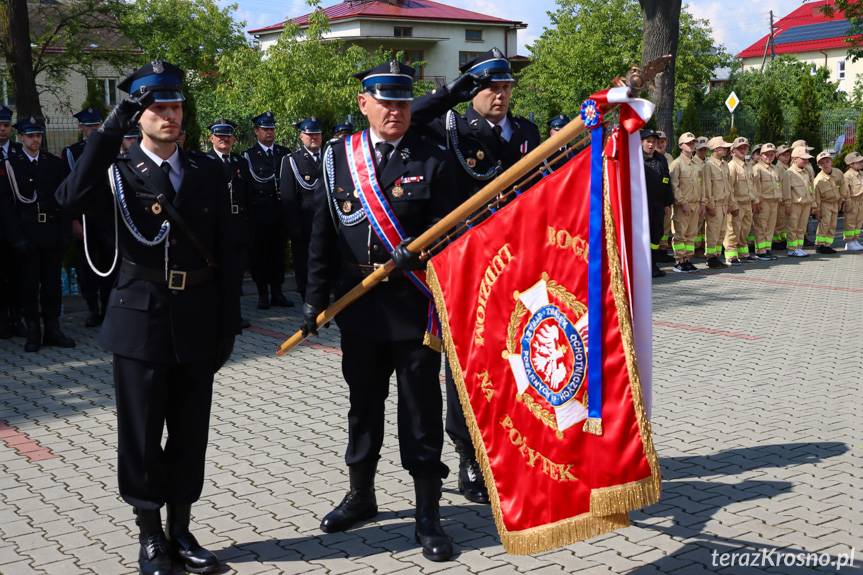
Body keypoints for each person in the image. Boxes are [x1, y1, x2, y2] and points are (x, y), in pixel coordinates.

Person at [55, 61, 241, 575]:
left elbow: (228, 250)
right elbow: (68, 196)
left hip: (198, 318)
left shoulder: (208, 169)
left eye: (175, 105)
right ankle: (150, 536)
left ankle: (181, 529)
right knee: (140, 435)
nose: (169, 115)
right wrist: (109, 128)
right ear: (138, 115)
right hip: (140, 320)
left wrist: (229, 323)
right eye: (156, 107)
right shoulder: (115, 172)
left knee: (189, 431)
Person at [302, 60, 458, 562]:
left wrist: (424, 247)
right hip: (360, 306)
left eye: (403, 101)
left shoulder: (433, 154)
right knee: (363, 407)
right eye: (385, 101)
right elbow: (323, 231)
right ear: (364, 103)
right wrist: (313, 297)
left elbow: (457, 227)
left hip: (414, 306)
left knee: (420, 411)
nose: (395, 110)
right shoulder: (338, 157)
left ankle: (427, 513)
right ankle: (361, 495)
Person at [410, 48, 540, 505]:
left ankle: (512, 445)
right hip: (466, 264)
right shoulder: (449, 128)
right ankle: (469, 452)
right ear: (473, 90)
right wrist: (449, 95)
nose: (501, 96)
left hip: (517, 263)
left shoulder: (525, 131)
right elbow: (407, 117)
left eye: (505, 87)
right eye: (490, 87)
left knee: (515, 356)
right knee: (466, 365)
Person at [6, 116, 75, 352]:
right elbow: (6, 206)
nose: (36, 140)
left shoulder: (53, 163)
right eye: (31, 136)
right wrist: (16, 237)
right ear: (21, 138)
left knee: (52, 285)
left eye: (38, 135)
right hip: (27, 233)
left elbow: (64, 201)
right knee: (28, 285)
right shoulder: (11, 165)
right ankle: (33, 332)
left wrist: (65, 233)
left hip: (51, 233)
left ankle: (53, 329)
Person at [63, 108, 117, 327]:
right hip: (84, 217)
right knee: (87, 267)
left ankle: (107, 308)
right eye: (89, 126)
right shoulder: (72, 153)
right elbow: (68, 188)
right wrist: (73, 220)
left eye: (97, 125)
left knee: (110, 264)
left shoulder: (111, 149)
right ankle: (93, 309)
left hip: (108, 215)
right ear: (81, 128)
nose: (93, 129)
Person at [243, 111, 292, 309]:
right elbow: (247, 187)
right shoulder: (249, 156)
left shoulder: (284, 153)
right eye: (265, 129)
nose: (270, 133)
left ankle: (278, 292)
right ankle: (263, 293)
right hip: (259, 215)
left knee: (278, 254)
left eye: (272, 129)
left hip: (280, 213)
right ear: (256, 131)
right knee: (260, 255)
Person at [207, 118, 252, 328]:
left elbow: (248, 194)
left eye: (227, 136)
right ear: (211, 138)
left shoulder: (240, 162)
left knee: (236, 272)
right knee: (217, 273)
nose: (224, 139)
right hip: (216, 227)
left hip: (238, 225)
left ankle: (235, 315)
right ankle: (217, 315)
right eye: (219, 135)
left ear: (233, 138)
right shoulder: (204, 162)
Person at [280, 117, 323, 300]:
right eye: (309, 134)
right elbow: (288, 197)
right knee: (304, 261)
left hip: (325, 220)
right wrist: (294, 227)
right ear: (301, 136)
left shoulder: (330, 156)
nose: (313, 137)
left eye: (317, 134)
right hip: (304, 222)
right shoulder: (292, 160)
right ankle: (306, 294)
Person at [0, 104, 26, 339]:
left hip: (19, 226)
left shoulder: (20, 152)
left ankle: (18, 318)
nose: (2, 129)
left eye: (6, 125)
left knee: (18, 275)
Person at [641, 129, 674, 277]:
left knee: (656, 234)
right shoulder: (636, 159)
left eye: (653, 142)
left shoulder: (661, 159)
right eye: (648, 141)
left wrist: (667, 203)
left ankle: (652, 264)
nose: (651, 145)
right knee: (643, 235)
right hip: (642, 205)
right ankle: (642, 265)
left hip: (658, 204)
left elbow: (667, 181)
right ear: (641, 142)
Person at [669, 132, 702, 272]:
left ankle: (687, 259)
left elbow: (700, 185)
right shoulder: (676, 164)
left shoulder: (696, 164)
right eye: (688, 143)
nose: (691, 145)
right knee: (680, 234)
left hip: (695, 203)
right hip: (683, 205)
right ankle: (679, 261)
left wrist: (701, 202)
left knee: (691, 234)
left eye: (693, 143)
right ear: (681, 145)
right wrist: (682, 202)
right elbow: (674, 185)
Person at [724, 136, 757, 265]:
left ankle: (743, 253)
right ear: (733, 151)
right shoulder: (732, 166)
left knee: (745, 230)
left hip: (747, 203)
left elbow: (751, 185)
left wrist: (754, 200)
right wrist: (732, 205)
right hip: (737, 203)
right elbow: (729, 188)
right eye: (740, 148)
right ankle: (731, 256)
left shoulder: (748, 165)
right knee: (733, 230)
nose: (743, 150)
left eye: (745, 147)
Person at [703, 136, 734, 269]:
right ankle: (710, 258)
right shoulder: (708, 165)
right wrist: (710, 205)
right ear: (716, 149)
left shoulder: (725, 165)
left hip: (724, 204)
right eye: (724, 147)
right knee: (713, 232)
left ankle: (716, 255)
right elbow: (707, 187)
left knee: (721, 232)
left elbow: (729, 186)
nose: (727, 149)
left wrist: (730, 204)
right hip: (715, 204)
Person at [782, 147, 815, 257]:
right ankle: (792, 249)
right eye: (803, 159)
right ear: (795, 159)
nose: (806, 161)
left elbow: (810, 188)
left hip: (806, 203)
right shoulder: (789, 173)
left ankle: (799, 247)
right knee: (793, 227)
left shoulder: (806, 172)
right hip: (795, 204)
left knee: (802, 227)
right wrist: (787, 204)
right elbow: (786, 191)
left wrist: (812, 203)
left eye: (807, 159)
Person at [751, 143, 781, 260]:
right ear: (761, 155)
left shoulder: (774, 169)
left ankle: (767, 248)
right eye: (766, 154)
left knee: (770, 227)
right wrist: (756, 201)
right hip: (763, 202)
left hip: (774, 202)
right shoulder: (757, 169)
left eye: (772, 154)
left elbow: (778, 185)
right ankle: (760, 251)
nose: (769, 156)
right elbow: (755, 187)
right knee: (761, 227)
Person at [812, 150, 844, 255]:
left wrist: (841, 201)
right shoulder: (818, 180)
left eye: (827, 161)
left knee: (833, 225)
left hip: (835, 203)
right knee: (824, 224)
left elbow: (843, 186)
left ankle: (827, 245)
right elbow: (816, 197)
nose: (825, 164)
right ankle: (819, 245)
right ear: (819, 165)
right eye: (822, 163)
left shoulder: (838, 173)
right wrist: (817, 210)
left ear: (831, 161)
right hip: (825, 204)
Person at [842, 151, 863, 251]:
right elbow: (845, 191)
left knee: (858, 222)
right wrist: (848, 202)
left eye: (861, 161)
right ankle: (849, 242)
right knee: (850, 222)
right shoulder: (847, 176)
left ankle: (855, 240)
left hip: (861, 202)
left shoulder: (861, 174)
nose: (861, 163)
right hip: (852, 201)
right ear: (851, 164)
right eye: (858, 162)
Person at [772, 144, 792, 250]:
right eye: (784, 155)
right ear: (778, 156)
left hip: (786, 199)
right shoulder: (778, 168)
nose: (787, 157)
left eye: (788, 154)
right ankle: (776, 241)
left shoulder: (786, 167)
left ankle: (782, 239)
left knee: (783, 221)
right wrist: (780, 198)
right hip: (781, 200)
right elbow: (778, 185)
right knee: (779, 222)